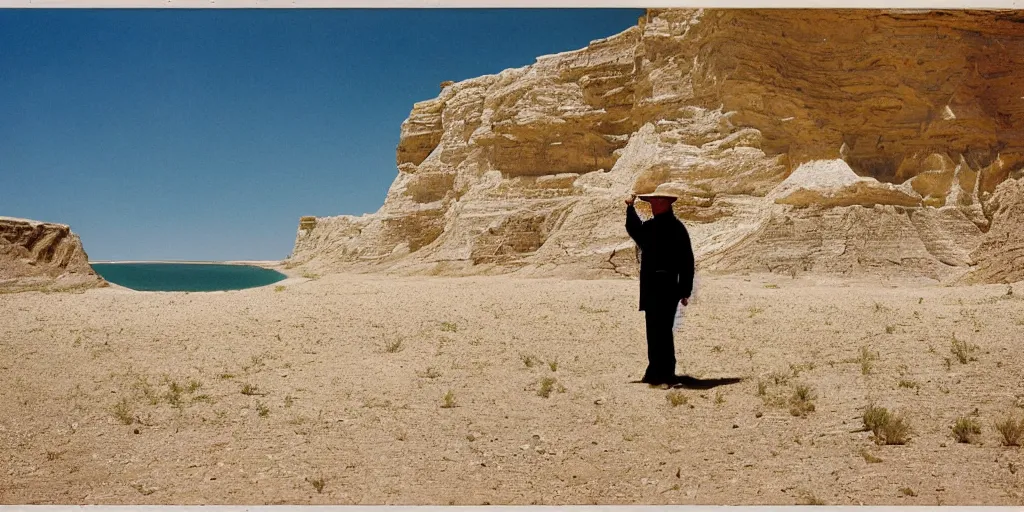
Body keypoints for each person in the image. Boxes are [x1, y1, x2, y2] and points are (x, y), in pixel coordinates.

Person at [625, 185, 696, 386]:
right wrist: (630, 208)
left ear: (665, 203)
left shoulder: (675, 228)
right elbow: (636, 230)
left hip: (665, 287)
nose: (653, 205)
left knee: (662, 331)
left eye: (656, 202)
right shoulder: (654, 226)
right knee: (654, 330)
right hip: (654, 287)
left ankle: (665, 373)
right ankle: (656, 371)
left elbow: (686, 260)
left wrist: (685, 289)